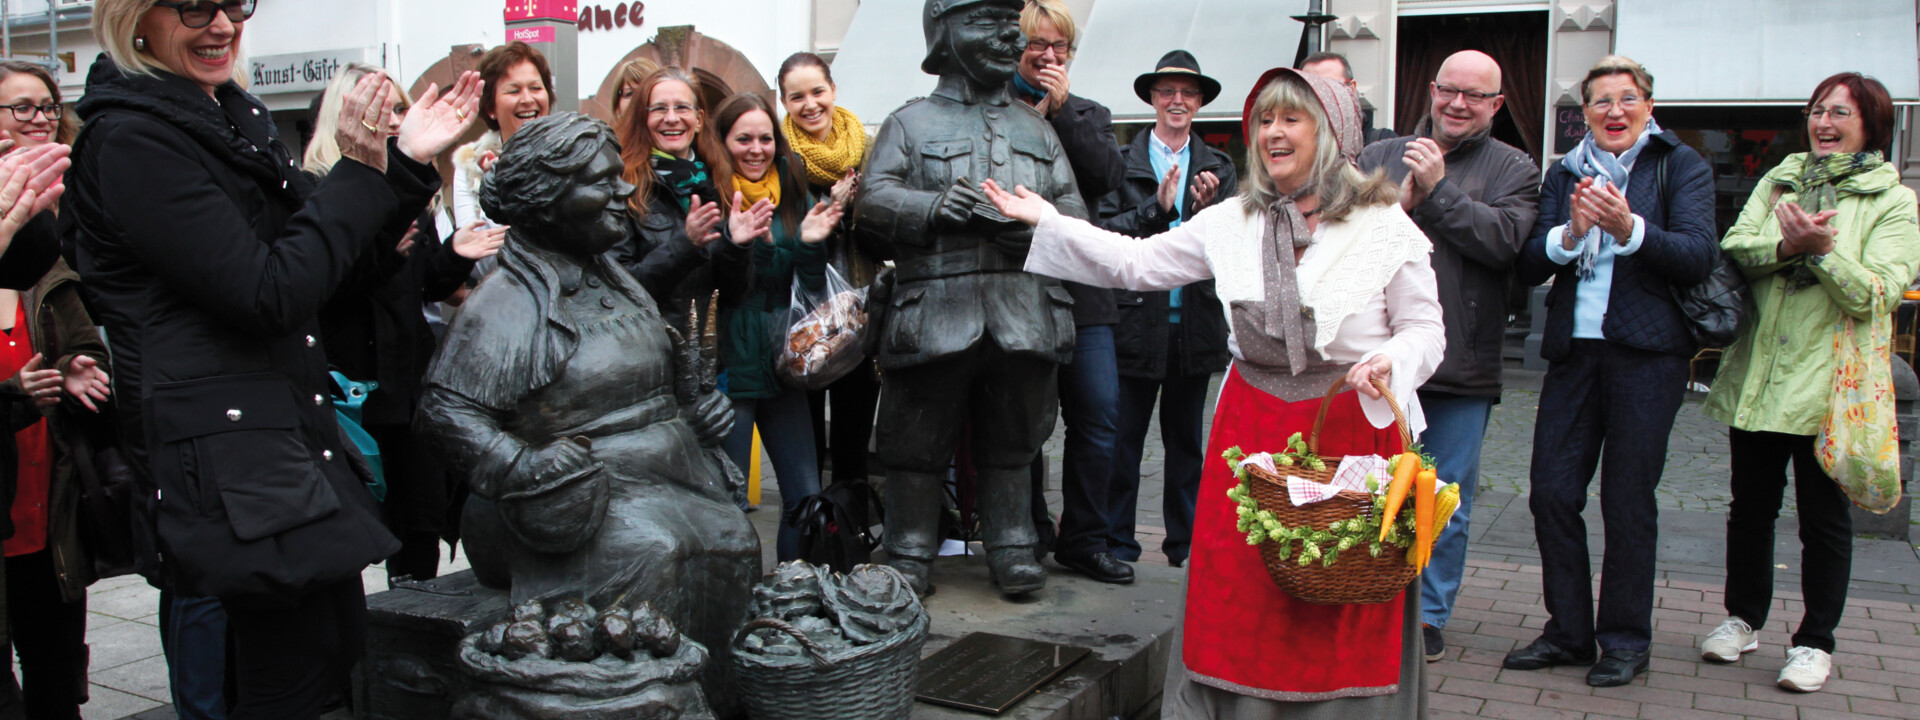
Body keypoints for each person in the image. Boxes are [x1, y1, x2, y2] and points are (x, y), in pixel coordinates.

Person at [984, 65, 1443, 718]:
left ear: (1334, 132)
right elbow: (1136, 263)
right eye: (1264, 121)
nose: (1272, 133)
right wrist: (1049, 221)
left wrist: (1390, 359)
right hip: (1250, 434)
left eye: (1292, 118)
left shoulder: (1382, 225)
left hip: (1354, 441)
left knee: (1334, 597)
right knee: (1245, 592)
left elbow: (1427, 329)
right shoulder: (1234, 222)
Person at [66, 1, 482, 716]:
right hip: (231, 465)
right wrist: (360, 172)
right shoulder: (133, 138)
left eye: (235, 3)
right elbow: (267, 292)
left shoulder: (229, 114)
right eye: (195, 6)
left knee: (330, 660)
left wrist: (405, 166)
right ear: (134, 17)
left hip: (283, 443)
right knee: (285, 685)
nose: (223, 24)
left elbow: (326, 273)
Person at [415, 112, 758, 718]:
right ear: (549, 201)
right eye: (601, 182)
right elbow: (446, 411)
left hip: (662, 479)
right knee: (659, 551)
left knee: (732, 539)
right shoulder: (508, 299)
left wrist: (691, 412)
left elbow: (650, 380)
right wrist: (520, 465)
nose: (623, 191)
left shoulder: (610, 274)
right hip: (564, 501)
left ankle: (718, 703)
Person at [855, 0, 1086, 597]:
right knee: (916, 439)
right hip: (935, 312)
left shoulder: (1037, 128)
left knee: (1014, 437)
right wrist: (928, 208)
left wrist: (1037, 224)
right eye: (985, 22)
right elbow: (871, 201)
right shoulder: (909, 123)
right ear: (945, 34)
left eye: (1011, 25)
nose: (1008, 36)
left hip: (1022, 311)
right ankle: (908, 547)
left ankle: (1012, 546)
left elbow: (1075, 211)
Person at [1700, 72, 1920, 693]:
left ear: (1872, 125)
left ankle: (1815, 643)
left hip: (1833, 389)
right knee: (1750, 511)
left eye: (1840, 114)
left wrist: (1821, 251)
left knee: (1824, 521)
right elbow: (1739, 245)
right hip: (1761, 376)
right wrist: (1791, 245)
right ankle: (1742, 619)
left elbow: (1879, 293)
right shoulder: (1782, 178)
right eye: (1818, 111)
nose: (1824, 123)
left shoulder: (1893, 201)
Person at [1504, 55, 1716, 688]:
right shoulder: (1565, 172)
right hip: (1575, 354)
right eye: (1601, 102)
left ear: (1649, 106)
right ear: (1585, 114)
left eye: (1628, 99)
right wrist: (1571, 233)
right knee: (1551, 493)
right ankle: (1569, 632)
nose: (1614, 111)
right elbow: (1529, 263)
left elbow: (1698, 255)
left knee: (1627, 501)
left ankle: (1624, 640)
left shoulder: (1681, 166)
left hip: (1647, 357)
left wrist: (1630, 229)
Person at [1356, 49, 1539, 662]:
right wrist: (1394, 209)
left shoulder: (1516, 167)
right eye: (1448, 90)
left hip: (1461, 364)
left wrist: (1436, 194)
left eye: (1475, 96)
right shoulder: (1380, 155)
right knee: (1369, 487)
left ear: (1497, 105)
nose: (1458, 104)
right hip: (1377, 358)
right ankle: (1366, 596)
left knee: (1443, 498)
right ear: (1430, 90)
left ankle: (1428, 616)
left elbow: (1504, 243)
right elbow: (1343, 234)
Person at [307, 64, 505, 582]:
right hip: (353, 387)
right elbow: (317, 288)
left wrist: (457, 254)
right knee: (353, 525)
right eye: (385, 108)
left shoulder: (412, 196)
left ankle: (412, 611)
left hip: (409, 384)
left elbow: (425, 287)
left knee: (419, 522)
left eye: (399, 107)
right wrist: (381, 256)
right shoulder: (321, 192)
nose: (396, 119)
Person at [1098, 49, 1236, 569]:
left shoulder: (1220, 165)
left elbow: (1233, 244)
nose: (1177, 100)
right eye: (1167, 92)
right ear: (1153, 100)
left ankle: (1187, 546)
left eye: (1187, 93)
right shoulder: (1121, 159)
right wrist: (1155, 209)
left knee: (1187, 445)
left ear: (1199, 103)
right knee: (1123, 442)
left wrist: (1206, 211)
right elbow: (1106, 234)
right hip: (1134, 322)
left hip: (1195, 324)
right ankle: (1116, 544)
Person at [1011, 0, 1131, 584]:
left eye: (1060, 47)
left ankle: (1084, 539)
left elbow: (1108, 176)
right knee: (1026, 421)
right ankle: (1028, 531)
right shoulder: (995, 110)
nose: (1050, 55)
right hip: (1021, 290)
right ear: (1019, 46)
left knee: (1100, 416)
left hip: (1085, 294)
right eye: (1039, 44)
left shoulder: (1088, 112)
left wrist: (1060, 110)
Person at [0, 59, 102, 720]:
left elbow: (85, 338)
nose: (37, 120)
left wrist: (76, 370)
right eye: (19, 109)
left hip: (49, 492)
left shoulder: (55, 240)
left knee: (54, 671)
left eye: (45, 106)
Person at [709, 92, 844, 561]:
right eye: (743, 138)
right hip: (729, 360)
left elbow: (808, 284)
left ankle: (793, 591)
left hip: (783, 357)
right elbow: (726, 282)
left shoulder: (792, 186)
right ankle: (733, 599)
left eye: (766, 138)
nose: (756, 149)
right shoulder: (713, 192)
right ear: (723, 143)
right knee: (726, 502)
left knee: (804, 496)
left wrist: (810, 244)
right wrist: (751, 246)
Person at [775, 52, 878, 488]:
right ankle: (813, 538)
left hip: (858, 311)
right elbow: (781, 238)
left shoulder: (869, 150)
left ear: (833, 90)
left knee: (854, 440)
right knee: (809, 442)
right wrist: (828, 210)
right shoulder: (779, 157)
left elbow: (885, 234)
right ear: (784, 103)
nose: (810, 104)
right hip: (803, 318)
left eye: (817, 91)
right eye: (796, 97)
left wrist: (856, 208)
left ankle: (850, 537)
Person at [610, 66, 769, 332]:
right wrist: (686, 245)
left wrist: (736, 248)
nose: (671, 118)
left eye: (682, 108)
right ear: (643, 119)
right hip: (651, 354)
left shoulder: (715, 180)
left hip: (707, 355)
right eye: (659, 109)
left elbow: (735, 295)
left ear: (698, 119)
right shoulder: (622, 186)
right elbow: (617, 288)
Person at [451, 41, 552, 230]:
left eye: (536, 88)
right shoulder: (471, 164)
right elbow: (476, 244)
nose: (528, 99)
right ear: (490, 107)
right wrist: (497, 186)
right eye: (514, 91)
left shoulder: (571, 150)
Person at [1299, 51, 1396, 144]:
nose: (1319, 94)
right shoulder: (1292, 141)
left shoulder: (1383, 143)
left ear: (1352, 88)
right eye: (1309, 87)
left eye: (1330, 85)